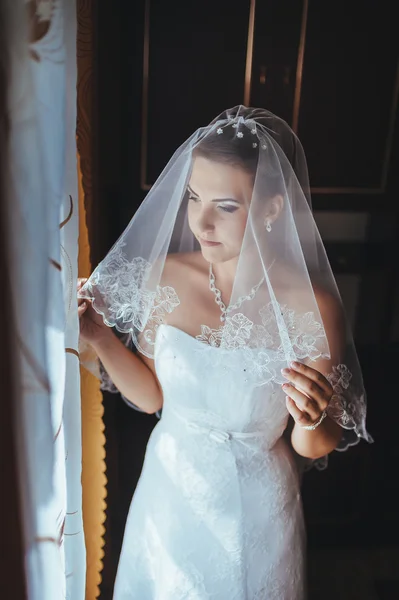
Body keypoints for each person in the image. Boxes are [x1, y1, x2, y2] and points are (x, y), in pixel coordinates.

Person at [78, 106, 372, 599]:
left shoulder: (312, 307)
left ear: (272, 207)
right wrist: (101, 337)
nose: (202, 221)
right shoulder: (164, 278)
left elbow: (313, 445)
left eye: (226, 206)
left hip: (261, 509)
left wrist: (312, 417)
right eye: (194, 198)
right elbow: (153, 398)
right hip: (169, 496)